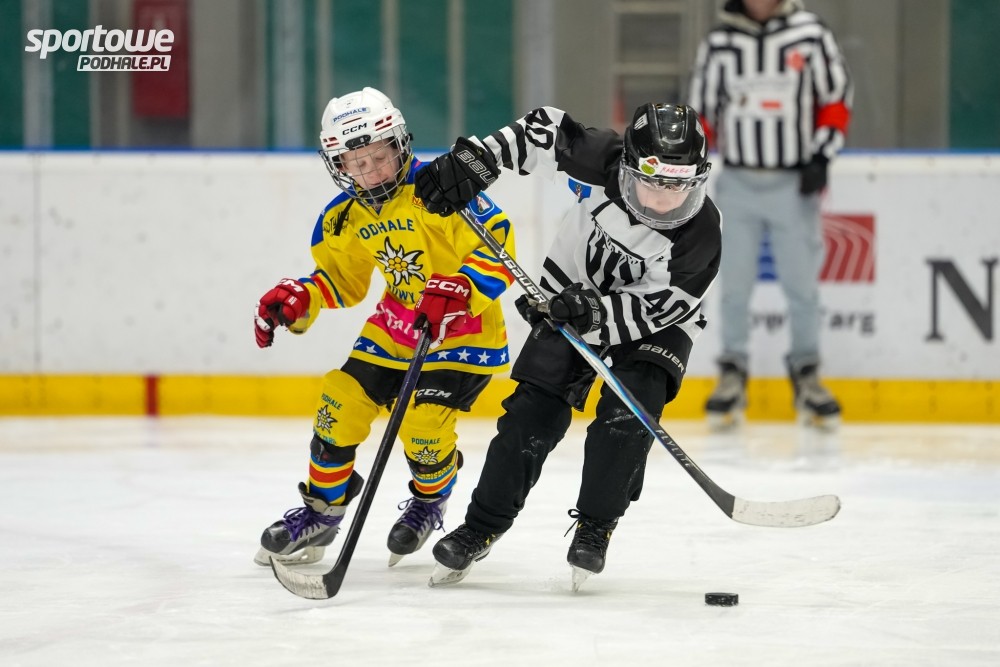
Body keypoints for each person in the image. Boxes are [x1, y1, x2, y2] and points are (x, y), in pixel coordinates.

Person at [414, 103, 722, 588]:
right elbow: (541, 129)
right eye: (653, 182)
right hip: (570, 296)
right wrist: (478, 160)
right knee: (530, 415)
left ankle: (596, 527)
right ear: (628, 166)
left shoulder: (701, 232)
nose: (665, 200)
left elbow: (661, 306)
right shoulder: (599, 158)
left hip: (656, 325)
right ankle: (481, 526)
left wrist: (594, 312)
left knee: (627, 414)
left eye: (677, 186)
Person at [252, 87, 516, 569]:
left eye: (379, 157)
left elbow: (498, 247)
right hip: (396, 328)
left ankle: (430, 499)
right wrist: (301, 298)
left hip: (464, 331)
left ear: (400, 145)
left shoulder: (440, 188)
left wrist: (461, 285)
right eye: (357, 163)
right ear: (339, 165)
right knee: (339, 403)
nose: (372, 171)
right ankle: (322, 511)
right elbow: (342, 281)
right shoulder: (343, 217)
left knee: (422, 422)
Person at [688, 0, 853, 430]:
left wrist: (822, 155)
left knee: (802, 286)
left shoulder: (810, 34)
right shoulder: (720, 42)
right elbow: (701, 112)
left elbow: (836, 97)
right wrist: (690, 162)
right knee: (733, 286)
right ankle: (732, 372)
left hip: (792, 182)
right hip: (738, 182)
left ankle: (807, 374)